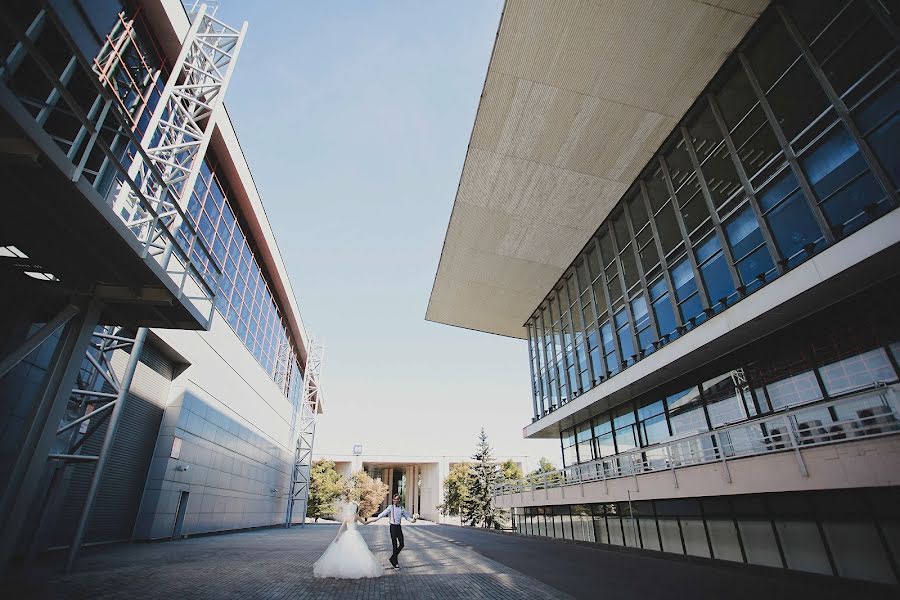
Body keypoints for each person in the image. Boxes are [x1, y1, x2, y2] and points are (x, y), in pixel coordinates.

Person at [313, 502, 382, 579]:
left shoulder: (346, 517)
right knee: (358, 551)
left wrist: (338, 536)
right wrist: (373, 521)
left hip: (347, 534)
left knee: (346, 551)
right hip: (355, 535)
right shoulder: (356, 517)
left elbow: (341, 527)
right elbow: (365, 523)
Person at [369, 494, 416, 569]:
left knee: (402, 544)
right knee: (394, 545)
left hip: (398, 527)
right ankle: (395, 563)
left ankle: (392, 558)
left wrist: (413, 520)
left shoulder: (401, 508)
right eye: (394, 499)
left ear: (399, 500)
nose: (395, 500)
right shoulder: (390, 507)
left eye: (396, 499)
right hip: (393, 527)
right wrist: (376, 519)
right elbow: (383, 513)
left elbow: (407, 517)